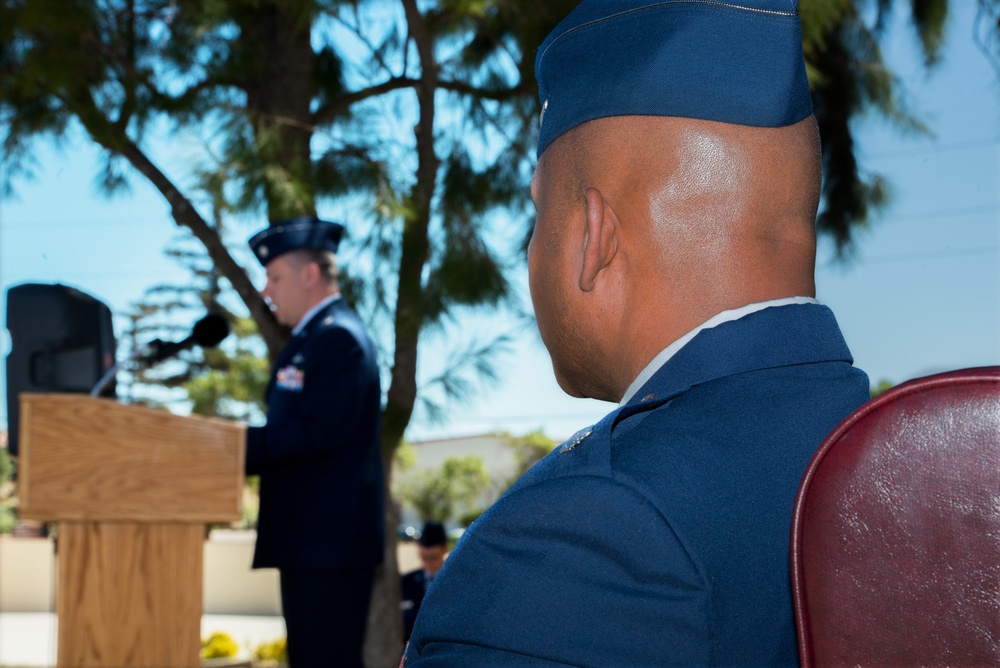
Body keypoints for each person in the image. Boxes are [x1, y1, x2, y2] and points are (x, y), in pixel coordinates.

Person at [402, 1, 872, 666]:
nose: (531, 254)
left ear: (594, 237)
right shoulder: (916, 472)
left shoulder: (592, 536)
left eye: (538, 213)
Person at [245, 217, 384, 668]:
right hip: (315, 546)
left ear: (309, 275)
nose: (267, 291)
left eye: (274, 277)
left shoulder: (337, 337)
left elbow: (322, 432)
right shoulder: (315, 336)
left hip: (328, 549)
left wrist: (231, 448)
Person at [401, 521, 449, 644]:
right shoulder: (406, 582)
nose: (427, 562)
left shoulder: (456, 581)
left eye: (433, 557)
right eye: (423, 557)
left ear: (445, 549)